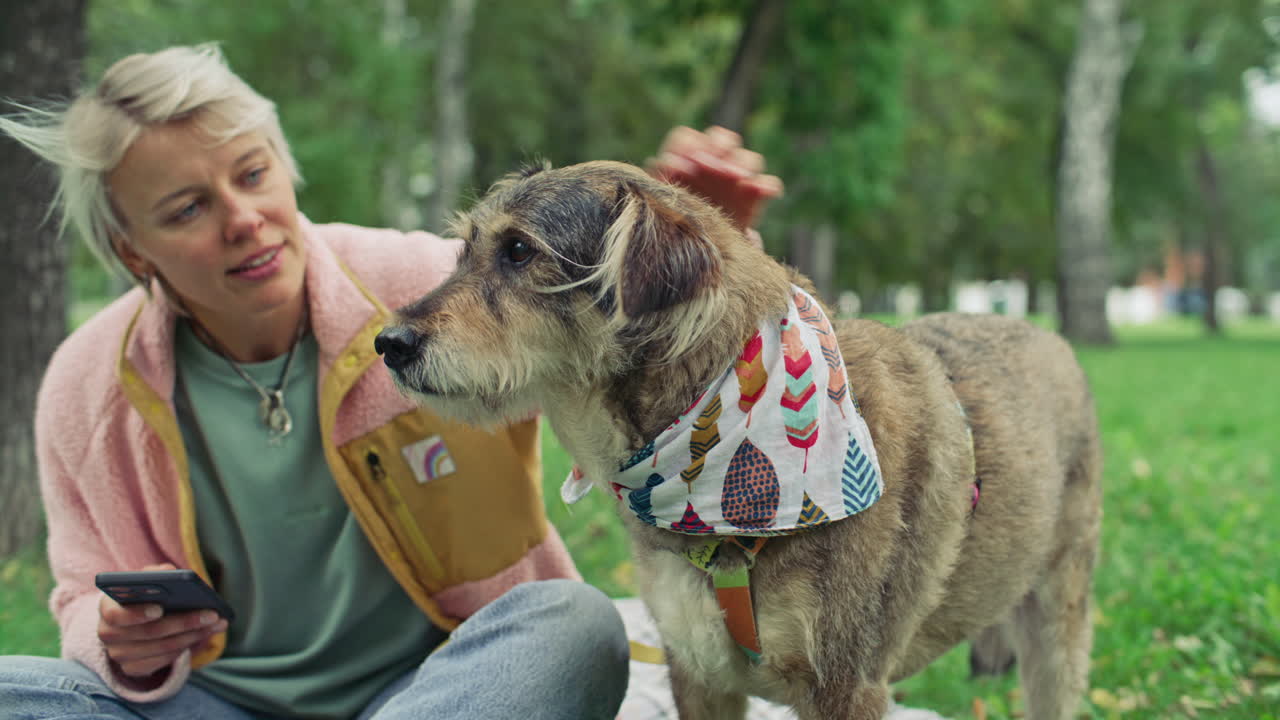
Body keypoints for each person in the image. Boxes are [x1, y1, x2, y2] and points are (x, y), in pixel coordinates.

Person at [0, 44, 781, 720]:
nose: (243, 218)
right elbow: (76, 596)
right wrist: (111, 635)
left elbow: (627, 344)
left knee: (574, 624)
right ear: (132, 252)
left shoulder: (422, 282)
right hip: (211, 700)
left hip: (443, 684)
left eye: (252, 172)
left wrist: (704, 243)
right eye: (185, 210)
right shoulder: (87, 386)